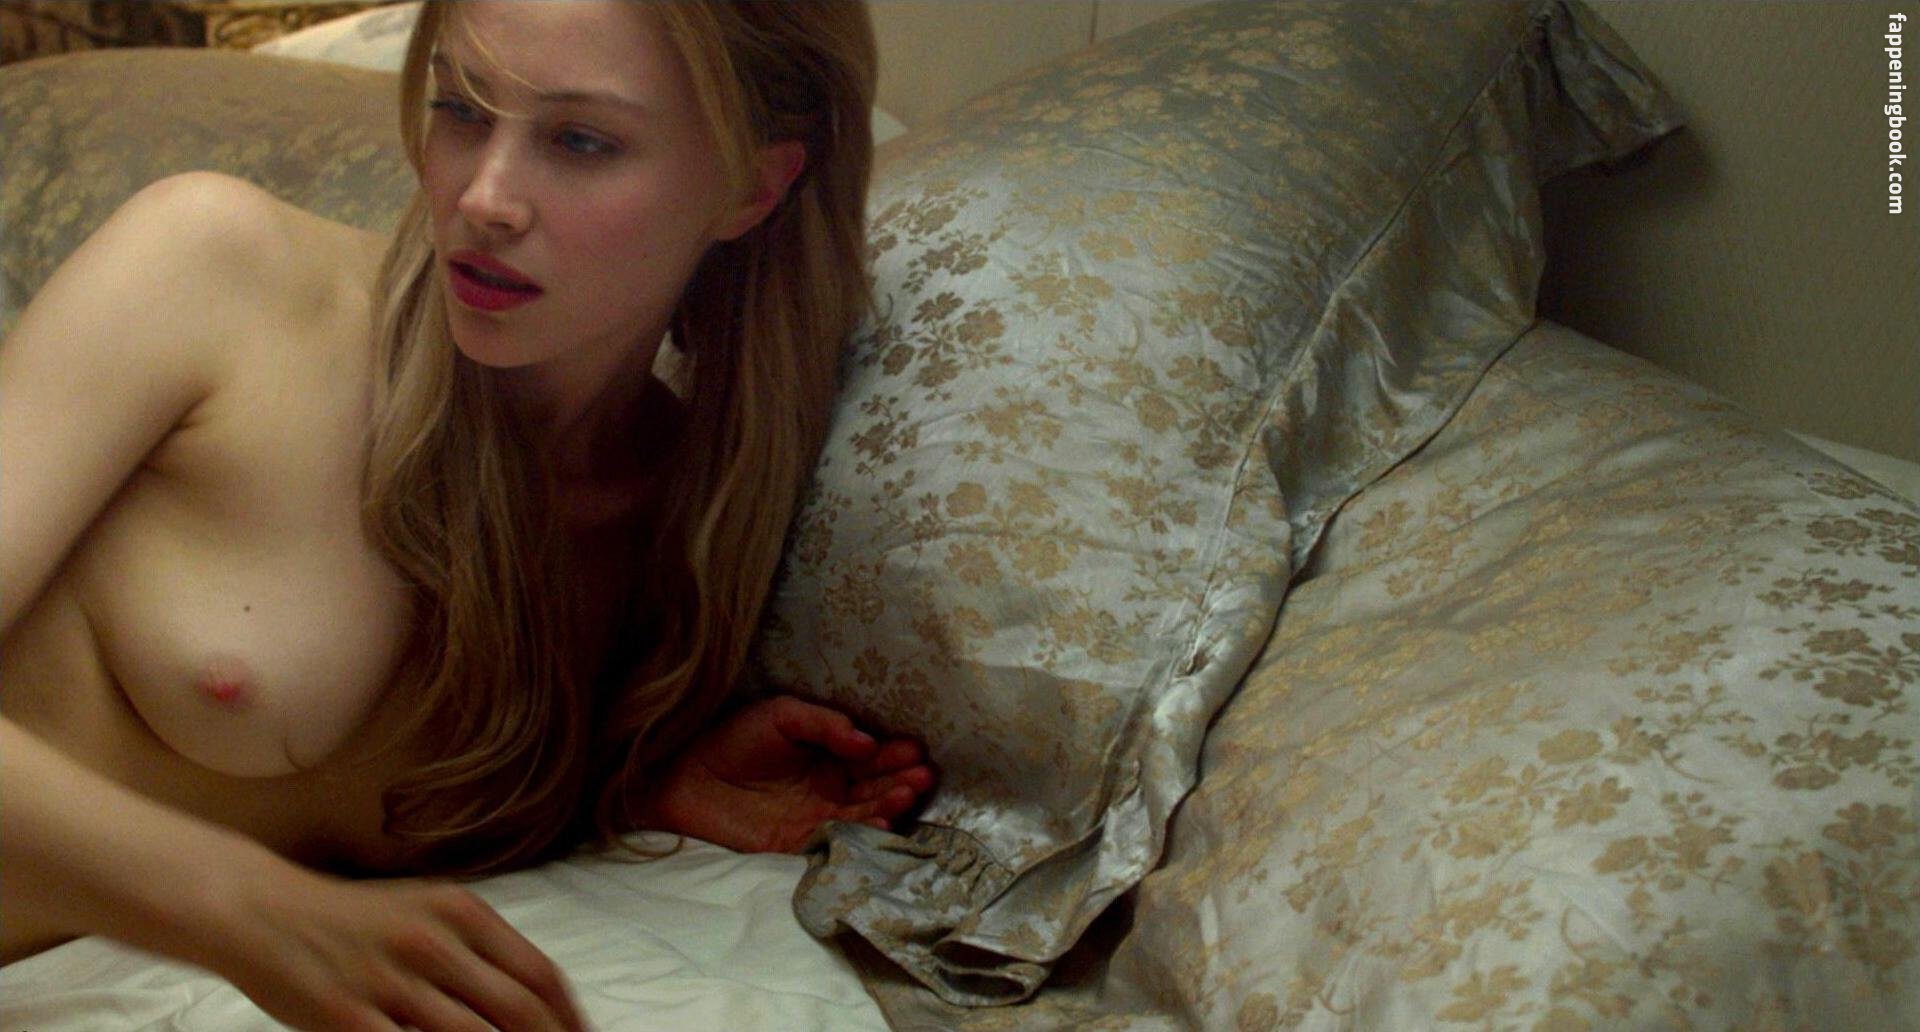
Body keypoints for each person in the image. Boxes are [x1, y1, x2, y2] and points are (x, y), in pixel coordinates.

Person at [0, 2, 931, 1028]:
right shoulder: (219, 269)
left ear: (751, 188)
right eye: (461, 109)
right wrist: (240, 908)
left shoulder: (672, 520)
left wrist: (626, 786)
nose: (484, 198)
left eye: (581, 141)